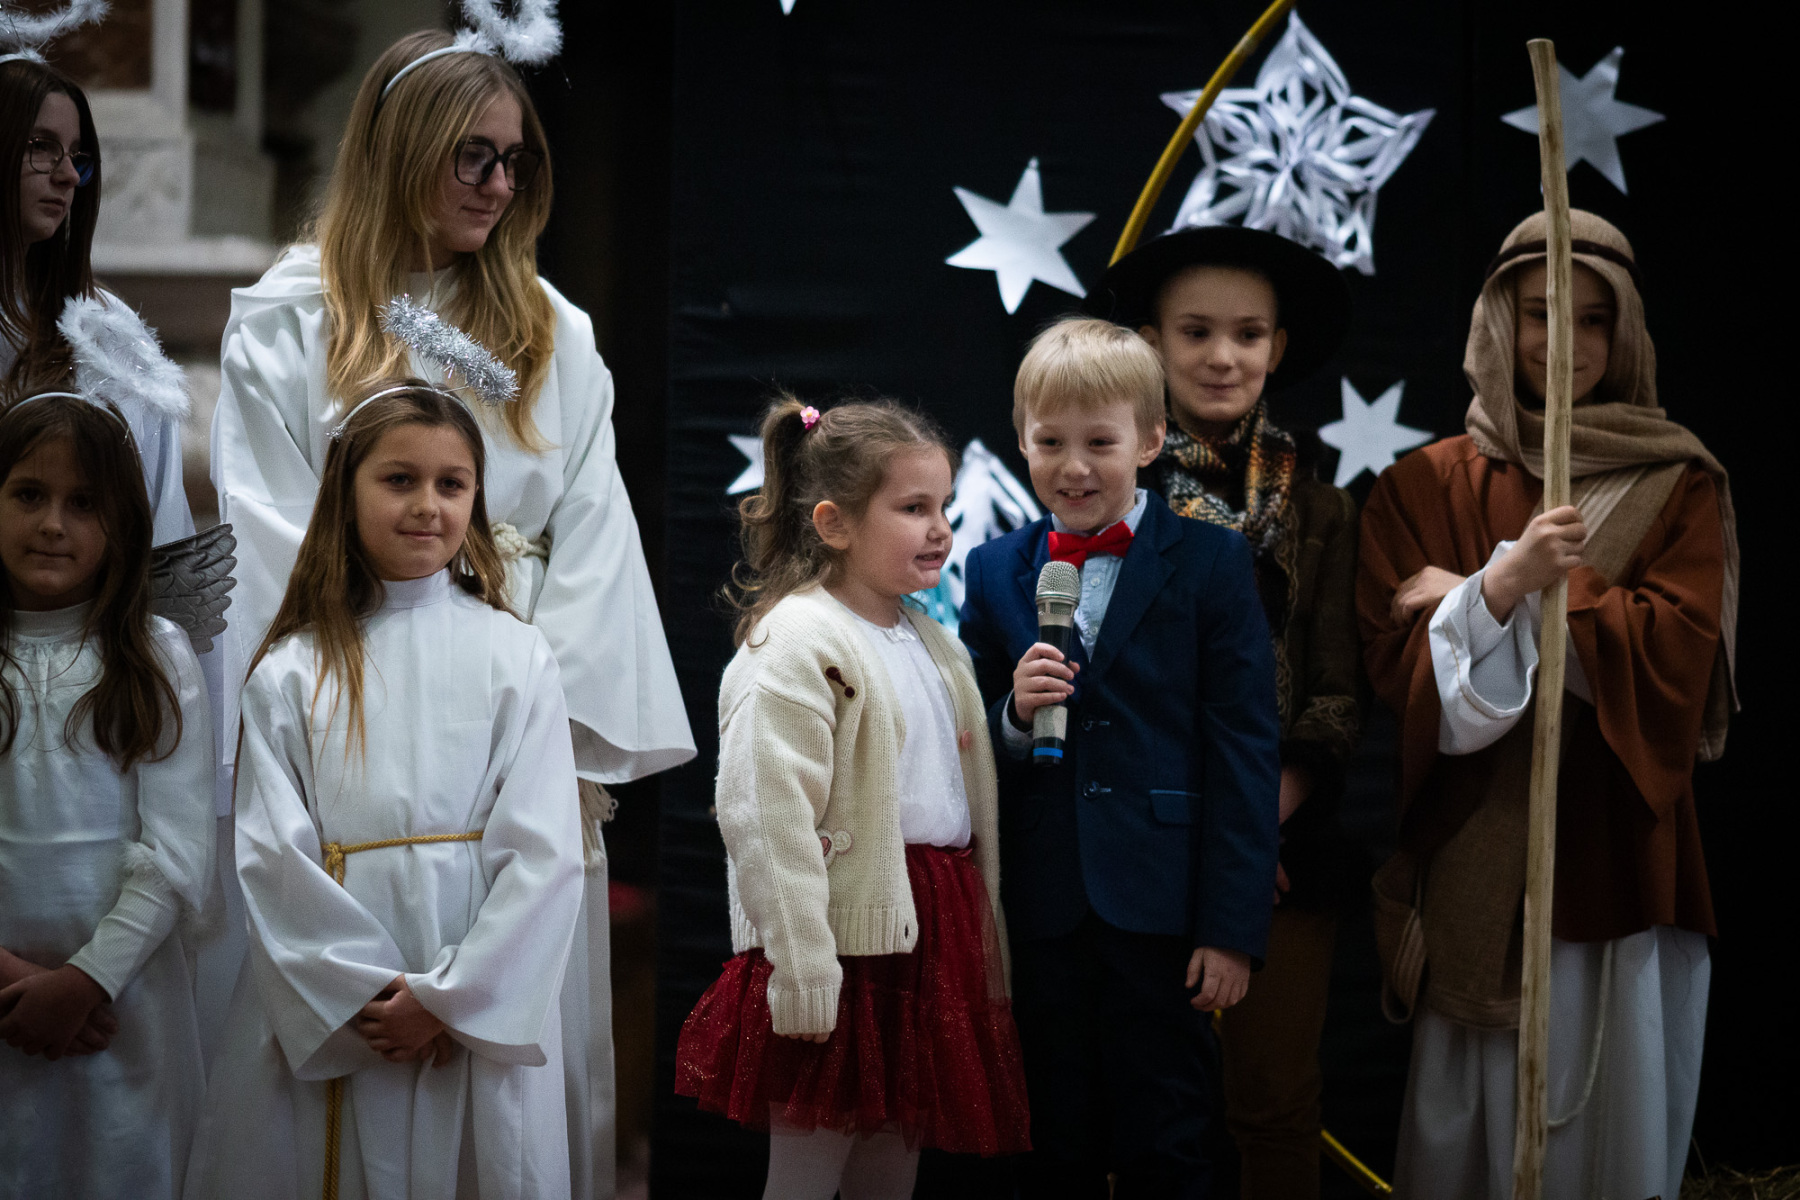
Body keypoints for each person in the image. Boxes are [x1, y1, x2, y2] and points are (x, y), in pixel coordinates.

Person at [208, 30, 693, 1191]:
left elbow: (592, 538)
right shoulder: (289, 322)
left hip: (509, 736)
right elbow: (269, 532)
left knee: (502, 1114)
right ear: (400, 150)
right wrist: (370, 687)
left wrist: (541, 734)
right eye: (472, 155)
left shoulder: (553, 334)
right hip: (348, 732)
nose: (497, 184)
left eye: (516, 161)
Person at [1358, 210, 1736, 1200]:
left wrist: (1504, 588)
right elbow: (1403, 685)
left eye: (1594, 319)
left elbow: (1676, 661)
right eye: (1540, 313)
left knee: (1607, 1125)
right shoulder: (1422, 483)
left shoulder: (1677, 483)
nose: (1566, 341)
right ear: (1497, 320)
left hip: (1615, 851)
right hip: (1474, 852)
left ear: (1628, 332)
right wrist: (1500, 586)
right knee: (1468, 1136)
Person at [185, 383, 585, 1198]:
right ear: (347, 489)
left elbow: (545, 852)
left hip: (473, 975)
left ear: (476, 499)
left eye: (452, 483)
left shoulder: (517, 655)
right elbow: (272, 855)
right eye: (399, 479)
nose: (427, 505)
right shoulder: (292, 669)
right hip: (337, 994)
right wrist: (365, 997)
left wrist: (451, 1000)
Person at [674, 397, 1030, 1200]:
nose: (940, 529)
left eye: (943, 506)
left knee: (889, 1170)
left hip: (926, 930)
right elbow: (765, 820)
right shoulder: (795, 642)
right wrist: (803, 968)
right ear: (833, 523)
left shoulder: (934, 641)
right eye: (912, 508)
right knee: (807, 1174)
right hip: (838, 942)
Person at [958, 317, 1283, 1197]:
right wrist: (1014, 716)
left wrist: (1230, 929)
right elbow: (966, 738)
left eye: (1099, 443)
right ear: (1021, 441)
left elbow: (1244, 747)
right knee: (1049, 1135)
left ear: (1150, 441)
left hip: (1164, 909)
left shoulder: (1212, 560)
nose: (1074, 467)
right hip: (1042, 907)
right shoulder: (992, 569)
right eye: (1050, 443)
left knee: (1170, 1135)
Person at [1087, 226, 1361, 1198]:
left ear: (1277, 348)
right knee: (1138, 1104)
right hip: (1145, 843)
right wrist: (1204, 826)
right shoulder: (1112, 496)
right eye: (1195, 331)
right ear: (1150, 343)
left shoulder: (1323, 513)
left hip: (1283, 851)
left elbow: (1338, 694)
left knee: (1274, 1102)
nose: (1222, 356)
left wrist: (1254, 825)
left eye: (1247, 335)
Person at [0, 393, 214, 1198]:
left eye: (84, 503)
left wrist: (85, 981)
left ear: (123, 522)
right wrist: (15, 984)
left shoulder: (153, 656)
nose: (53, 524)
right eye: (29, 494)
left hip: (126, 1008)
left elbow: (178, 854)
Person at [1, 54, 192, 542]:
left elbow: (158, 525)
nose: (68, 175)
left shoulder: (106, 334)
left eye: (75, 155)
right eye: (41, 147)